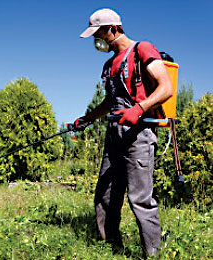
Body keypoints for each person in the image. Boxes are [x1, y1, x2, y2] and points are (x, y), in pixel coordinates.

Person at [74, 8, 173, 256]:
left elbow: (165, 88)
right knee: (105, 195)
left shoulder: (142, 50)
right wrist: (88, 118)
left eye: (99, 34)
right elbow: (110, 101)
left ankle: (153, 253)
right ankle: (109, 248)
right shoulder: (109, 64)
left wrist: (138, 109)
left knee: (139, 198)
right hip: (114, 135)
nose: (98, 40)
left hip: (139, 134)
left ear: (113, 29)